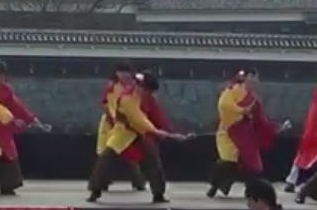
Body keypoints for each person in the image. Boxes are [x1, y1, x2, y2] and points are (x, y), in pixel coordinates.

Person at [87, 71, 187, 204]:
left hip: (139, 133)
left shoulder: (146, 98)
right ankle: (95, 191)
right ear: (140, 87)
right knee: (106, 158)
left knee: (153, 159)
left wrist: (170, 132)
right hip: (123, 132)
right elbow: (139, 119)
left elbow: (158, 116)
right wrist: (159, 133)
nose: (148, 94)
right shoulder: (127, 98)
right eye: (147, 90)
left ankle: (158, 193)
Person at [0, 57, 45, 196]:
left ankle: (7, 186)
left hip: (1, 128)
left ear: (3, 75)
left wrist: (33, 120)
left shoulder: (6, 90)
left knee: (9, 155)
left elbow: (17, 106)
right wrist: (11, 118)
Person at [206, 69, 279, 199]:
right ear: (246, 77)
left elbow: (260, 120)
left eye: (256, 78)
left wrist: (274, 127)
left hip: (245, 135)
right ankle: (216, 185)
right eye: (252, 77)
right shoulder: (232, 90)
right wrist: (242, 110)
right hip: (229, 132)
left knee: (251, 165)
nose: (255, 81)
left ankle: (249, 191)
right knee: (227, 161)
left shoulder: (254, 99)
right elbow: (224, 105)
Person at [91, 63, 145, 192]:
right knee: (104, 155)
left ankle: (138, 181)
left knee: (131, 155)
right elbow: (104, 104)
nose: (123, 75)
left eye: (126, 72)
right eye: (121, 72)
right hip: (110, 123)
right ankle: (99, 183)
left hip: (128, 125)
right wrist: (111, 117)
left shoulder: (134, 86)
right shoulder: (111, 87)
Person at [284, 86, 317, 193]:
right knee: (306, 154)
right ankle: (301, 186)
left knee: (304, 154)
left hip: (311, 128)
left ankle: (293, 181)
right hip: (312, 129)